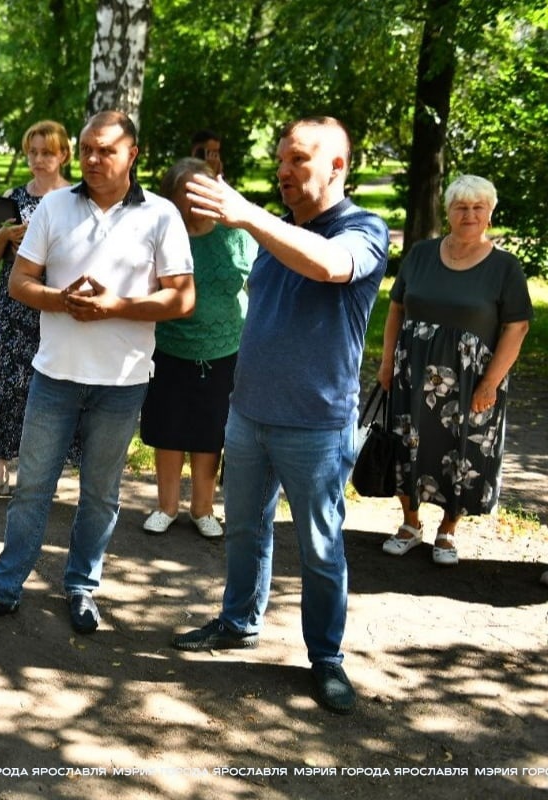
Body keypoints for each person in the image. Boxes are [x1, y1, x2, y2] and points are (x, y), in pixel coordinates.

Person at [170, 116, 389, 717]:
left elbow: (329, 266)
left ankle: (326, 659)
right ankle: (239, 622)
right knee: (244, 529)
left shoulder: (363, 229)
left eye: (299, 159)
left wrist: (249, 215)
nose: (284, 170)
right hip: (248, 416)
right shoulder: (276, 230)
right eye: (282, 160)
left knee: (320, 548)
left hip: (316, 425)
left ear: (337, 166)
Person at [0, 109, 195, 635]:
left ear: (133, 154)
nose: (93, 159)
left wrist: (117, 306)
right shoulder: (54, 207)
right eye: (86, 149)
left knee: (101, 495)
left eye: (106, 149)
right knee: (33, 489)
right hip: (54, 376)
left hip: (123, 383)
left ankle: (82, 587)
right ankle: (4, 588)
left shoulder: (160, 215)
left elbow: (182, 298)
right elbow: (19, 283)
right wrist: (61, 300)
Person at [377, 175, 532, 566]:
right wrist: (386, 360)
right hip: (412, 373)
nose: (470, 214)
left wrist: (490, 382)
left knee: (461, 453)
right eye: (461, 207)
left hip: (471, 380)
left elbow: (517, 326)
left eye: (478, 207)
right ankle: (410, 525)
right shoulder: (421, 254)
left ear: (490, 214)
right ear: (448, 212)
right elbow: (396, 308)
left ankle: (447, 531)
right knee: (405, 444)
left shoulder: (504, 267)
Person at [139, 157, 255, 538]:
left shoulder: (237, 233)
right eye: (185, 193)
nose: (193, 201)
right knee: (169, 428)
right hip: (170, 345)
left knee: (211, 431)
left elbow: (258, 283)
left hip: (225, 350)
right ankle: (166, 506)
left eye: (200, 191)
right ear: (171, 198)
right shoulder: (162, 233)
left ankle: (203, 509)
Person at [0, 120, 76, 504]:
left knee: (55, 392)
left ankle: (45, 476)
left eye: (47, 152)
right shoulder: (13, 199)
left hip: (56, 306)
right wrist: (4, 236)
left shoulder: (76, 198)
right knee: (6, 389)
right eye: (32, 152)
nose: (38, 159)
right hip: (13, 311)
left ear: (64, 154)